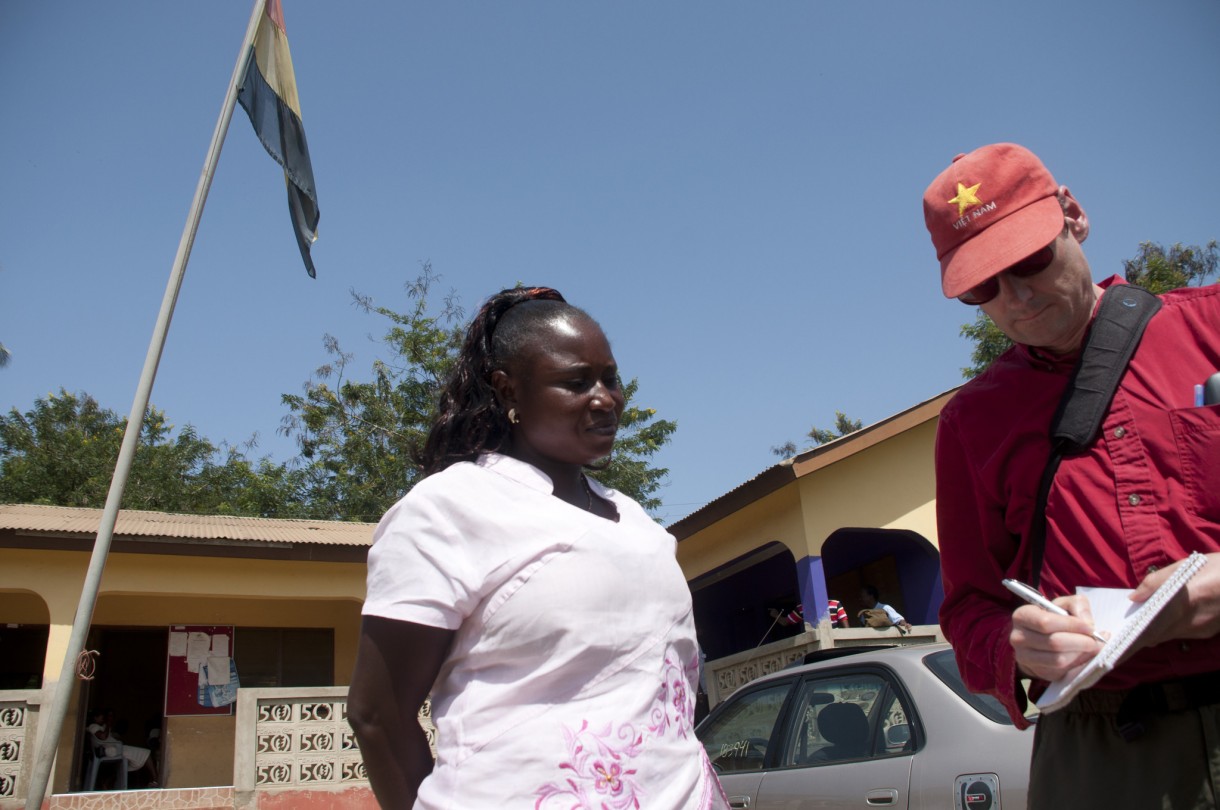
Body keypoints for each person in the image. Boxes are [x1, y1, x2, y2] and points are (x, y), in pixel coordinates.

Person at [347, 287, 728, 809]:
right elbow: (378, 715)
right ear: (508, 392)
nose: (605, 398)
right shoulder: (450, 509)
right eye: (575, 382)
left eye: (610, 379)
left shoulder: (637, 521)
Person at [923, 142, 1220, 807]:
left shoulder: (1213, 328)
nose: (1016, 298)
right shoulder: (971, 424)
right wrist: (1019, 644)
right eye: (983, 286)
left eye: (1028, 259)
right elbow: (970, 609)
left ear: (1073, 216)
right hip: (1105, 750)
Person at [86, 709, 158, 788]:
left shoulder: (100, 726)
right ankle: (155, 780)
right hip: (112, 750)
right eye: (101, 717)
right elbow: (103, 736)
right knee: (146, 753)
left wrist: (108, 723)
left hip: (114, 748)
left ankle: (107, 783)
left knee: (126, 764)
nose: (103, 718)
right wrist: (106, 724)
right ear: (95, 718)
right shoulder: (93, 726)